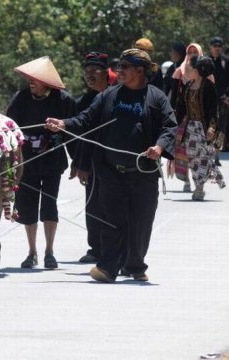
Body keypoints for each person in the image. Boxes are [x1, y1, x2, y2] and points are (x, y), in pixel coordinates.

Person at [45, 49, 177, 283]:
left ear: (140, 70)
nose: (120, 71)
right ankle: (107, 268)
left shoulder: (156, 98)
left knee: (141, 223)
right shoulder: (108, 96)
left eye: (126, 67)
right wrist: (63, 123)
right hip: (110, 171)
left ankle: (134, 265)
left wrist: (158, 147)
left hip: (143, 173)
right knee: (111, 221)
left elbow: (169, 127)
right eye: (120, 66)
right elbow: (85, 119)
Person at [6, 56, 76, 269]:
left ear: (46, 81)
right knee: (27, 206)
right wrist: (10, 159)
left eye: (35, 78)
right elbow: (9, 127)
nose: (31, 81)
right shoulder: (21, 98)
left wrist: (77, 162)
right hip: (26, 160)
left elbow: (72, 132)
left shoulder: (63, 100)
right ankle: (32, 252)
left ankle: (49, 252)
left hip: (52, 160)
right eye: (29, 78)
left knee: (49, 205)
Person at [71, 52, 110, 264]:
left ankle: (114, 247)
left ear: (105, 73)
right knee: (93, 205)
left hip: (114, 161)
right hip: (92, 162)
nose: (89, 76)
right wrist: (79, 164)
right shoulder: (84, 101)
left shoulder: (115, 95)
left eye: (94, 71)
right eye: (86, 72)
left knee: (113, 205)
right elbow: (81, 137)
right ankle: (95, 248)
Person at [175, 55, 225, 200]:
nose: (188, 69)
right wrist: (174, 122)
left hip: (203, 129)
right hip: (190, 128)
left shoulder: (209, 87)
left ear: (197, 70)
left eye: (191, 67)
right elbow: (181, 108)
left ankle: (199, 188)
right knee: (192, 159)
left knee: (203, 158)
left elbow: (213, 110)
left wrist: (212, 128)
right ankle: (199, 183)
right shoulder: (188, 86)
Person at [170, 43, 213, 192]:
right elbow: (175, 98)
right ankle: (187, 180)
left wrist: (213, 126)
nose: (193, 53)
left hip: (202, 122)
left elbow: (212, 106)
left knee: (200, 154)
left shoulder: (209, 79)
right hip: (184, 120)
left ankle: (199, 185)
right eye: (190, 51)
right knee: (183, 152)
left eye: (196, 51)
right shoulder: (179, 72)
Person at [208, 36, 229, 166]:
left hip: (221, 99)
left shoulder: (226, 62)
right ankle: (207, 153)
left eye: (219, 46)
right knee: (208, 125)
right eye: (215, 46)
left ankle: (216, 156)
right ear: (210, 47)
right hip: (207, 98)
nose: (217, 48)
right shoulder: (204, 61)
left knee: (221, 126)